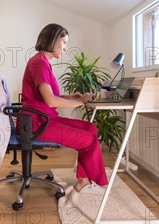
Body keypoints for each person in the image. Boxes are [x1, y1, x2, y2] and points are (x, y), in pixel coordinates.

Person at [20, 23, 108, 194]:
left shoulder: (43, 61)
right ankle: (97, 181)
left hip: (44, 118)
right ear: (54, 40)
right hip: (36, 124)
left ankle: (83, 178)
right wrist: (82, 102)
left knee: (91, 128)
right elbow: (51, 101)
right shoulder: (39, 63)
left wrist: (72, 97)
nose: (66, 48)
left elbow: (48, 97)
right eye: (64, 43)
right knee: (89, 141)